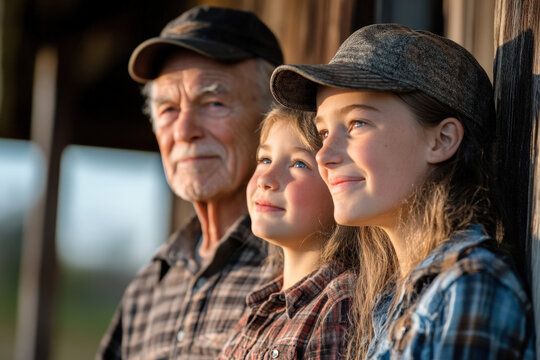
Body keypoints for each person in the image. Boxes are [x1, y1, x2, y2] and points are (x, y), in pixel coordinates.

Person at [270, 24, 536, 359]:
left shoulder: (470, 289)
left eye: (356, 124)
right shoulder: (389, 296)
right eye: (323, 132)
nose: (324, 155)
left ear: (442, 140)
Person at [97, 6, 283, 360]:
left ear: (273, 116)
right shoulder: (148, 289)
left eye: (213, 103)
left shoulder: (303, 266)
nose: (184, 131)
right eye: (168, 110)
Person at [218, 105, 358, 360]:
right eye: (265, 160)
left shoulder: (340, 304)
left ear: (338, 185)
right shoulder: (261, 308)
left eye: (298, 164)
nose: (266, 178)